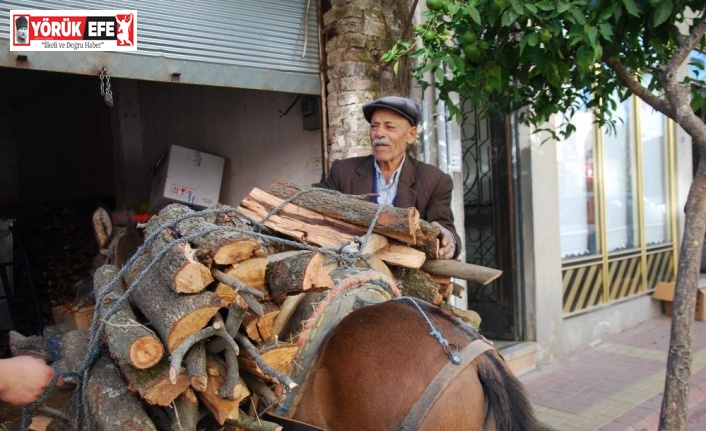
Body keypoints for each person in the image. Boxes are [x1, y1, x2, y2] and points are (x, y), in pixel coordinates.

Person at [325, 96, 461, 259]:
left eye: (389, 127)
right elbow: (316, 207)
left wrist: (448, 239)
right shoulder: (343, 172)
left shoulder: (435, 180)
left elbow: (443, 226)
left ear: (411, 135)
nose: (379, 134)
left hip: (407, 275)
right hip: (351, 270)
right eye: (374, 126)